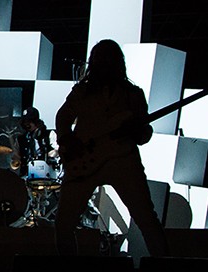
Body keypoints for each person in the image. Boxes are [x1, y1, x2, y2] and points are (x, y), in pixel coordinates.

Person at [54, 39, 168, 257]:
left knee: (147, 220)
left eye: (107, 60)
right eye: (99, 60)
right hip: (87, 162)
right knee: (63, 224)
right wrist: (67, 142)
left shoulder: (133, 94)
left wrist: (138, 132)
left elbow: (143, 134)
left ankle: (163, 269)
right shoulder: (81, 92)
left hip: (123, 160)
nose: (103, 64)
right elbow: (63, 117)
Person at [10, 107, 60, 180]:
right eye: (24, 122)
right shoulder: (21, 139)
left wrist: (53, 153)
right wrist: (15, 161)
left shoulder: (49, 134)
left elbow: (58, 150)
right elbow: (16, 157)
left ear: (36, 122)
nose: (26, 124)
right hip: (27, 176)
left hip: (47, 175)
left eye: (29, 122)